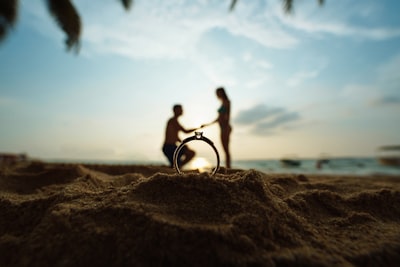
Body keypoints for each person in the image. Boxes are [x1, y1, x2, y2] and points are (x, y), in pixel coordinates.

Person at [201, 87, 232, 168]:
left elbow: (227, 116)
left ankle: (228, 168)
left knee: (226, 149)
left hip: (225, 127)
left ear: (222, 93)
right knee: (225, 149)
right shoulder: (222, 103)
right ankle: (228, 167)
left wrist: (226, 128)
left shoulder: (227, 102)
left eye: (218, 93)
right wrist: (207, 124)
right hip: (222, 128)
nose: (217, 95)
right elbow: (218, 118)